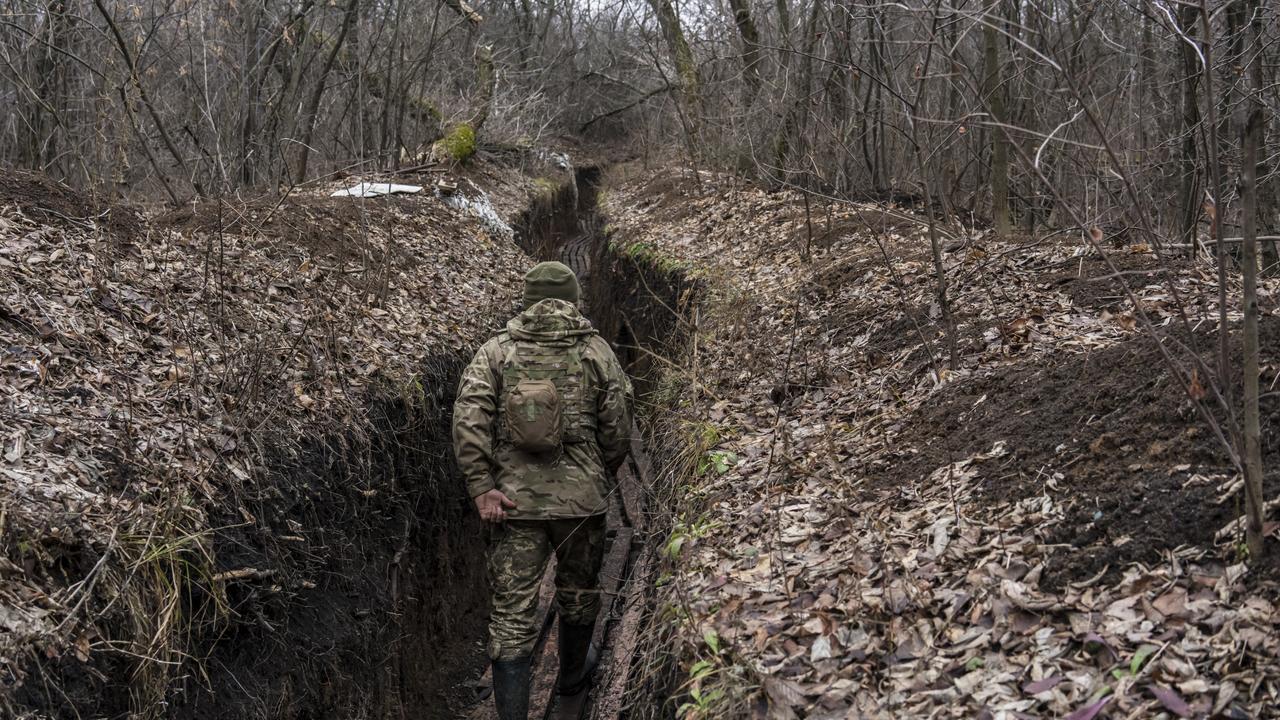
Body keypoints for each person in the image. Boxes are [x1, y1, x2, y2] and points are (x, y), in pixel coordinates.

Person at [453, 261, 632, 720]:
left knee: (511, 615)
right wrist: (598, 475)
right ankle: (573, 677)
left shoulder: (496, 352)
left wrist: (483, 489)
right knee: (579, 593)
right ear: (573, 299)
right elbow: (617, 426)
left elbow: (468, 420)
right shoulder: (596, 351)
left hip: (512, 505)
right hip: (581, 503)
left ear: (527, 301)